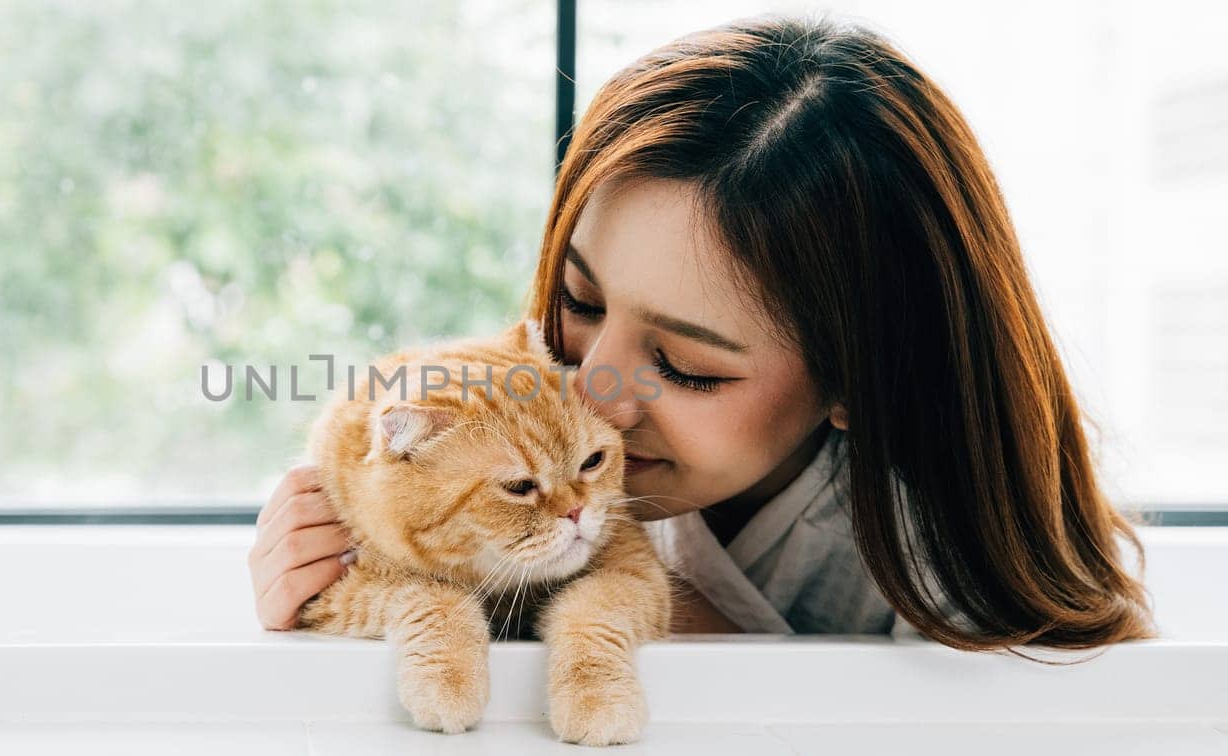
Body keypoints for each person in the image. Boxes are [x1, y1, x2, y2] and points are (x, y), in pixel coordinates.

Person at [247, 15, 1153, 650]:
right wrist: (348, 591)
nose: (594, 388)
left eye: (683, 365)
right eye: (582, 301)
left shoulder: (946, 557)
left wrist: (636, 610)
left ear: (861, 381)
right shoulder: (519, 422)